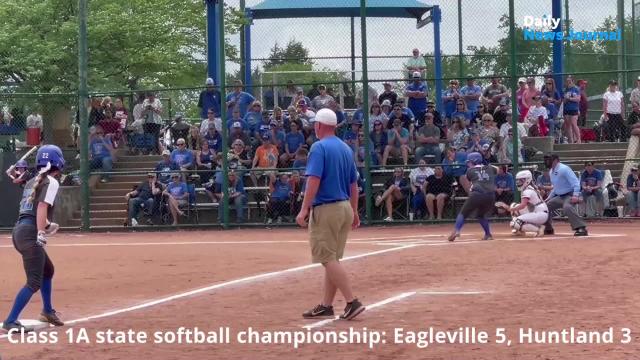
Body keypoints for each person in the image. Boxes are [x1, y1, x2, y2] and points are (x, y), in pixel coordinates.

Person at [296, 108, 364, 321]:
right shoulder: (345, 148)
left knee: (327, 258)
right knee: (331, 258)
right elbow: (354, 184)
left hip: (327, 208)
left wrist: (304, 208)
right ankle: (326, 305)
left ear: (319, 125)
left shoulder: (318, 147)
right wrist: (354, 210)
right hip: (343, 206)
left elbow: (313, 180)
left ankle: (352, 302)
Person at [2, 145, 66, 332]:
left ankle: (47, 310)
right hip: (29, 233)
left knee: (48, 270)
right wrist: (41, 231)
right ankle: (11, 320)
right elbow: (41, 208)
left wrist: (46, 225)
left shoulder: (34, 181)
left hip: (20, 232)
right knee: (34, 281)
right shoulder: (51, 182)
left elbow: (34, 209)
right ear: (58, 162)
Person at [448, 152, 497, 241]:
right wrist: (488, 164)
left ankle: (457, 230)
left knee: (463, 213)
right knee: (481, 215)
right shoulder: (490, 168)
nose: (468, 164)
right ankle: (488, 234)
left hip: (477, 194)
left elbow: (470, 177)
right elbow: (499, 169)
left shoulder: (469, 171)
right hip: (491, 196)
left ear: (474, 161)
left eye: (469, 162)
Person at [542, 153, 588, 236]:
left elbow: (576, 183)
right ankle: (548, 228)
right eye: (546, 160)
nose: (546, 162)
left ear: (555, 160)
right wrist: (548, 198)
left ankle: (581, 227)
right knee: (545, 207)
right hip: (560, 196)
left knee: (567, 207)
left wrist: (575, 195)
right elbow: (555, 188)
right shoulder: (551, 171)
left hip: (570, 194)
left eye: (549, 160)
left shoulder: (564, 169)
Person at [508, 170, 549, 236]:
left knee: (514, 223)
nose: (518, 182)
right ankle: (520, 229)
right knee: (514, 205)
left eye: (521, 180)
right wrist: (513, 208)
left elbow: (522, 205)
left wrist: (509, 209)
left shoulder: (527, 190)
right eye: (518, 180)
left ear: (527, 180)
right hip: (536, 211)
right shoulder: (528, 188)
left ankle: (539, 229)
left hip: (540, 213)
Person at [563, 77, 582, 144]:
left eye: (570, 81)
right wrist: (566, 98)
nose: (568, 83)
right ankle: (570, 140)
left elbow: (578, 99)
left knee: (574, 124)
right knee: (568, 125)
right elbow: (564, 101)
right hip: (566, 109)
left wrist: (570, 98)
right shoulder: (565, 90)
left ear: (573, 82)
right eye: (567, 81)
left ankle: (578, 139)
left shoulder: (576, 89)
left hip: (574, 109)